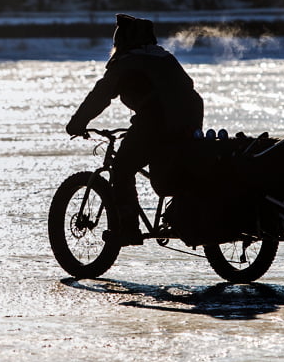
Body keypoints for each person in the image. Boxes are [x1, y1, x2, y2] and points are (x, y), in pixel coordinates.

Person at [66, 14, 204, 241]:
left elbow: (100, 95)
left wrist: (77, 124)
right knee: (180, 168)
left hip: (156, 120)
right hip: (189, 120)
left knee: (122, 169)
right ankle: (180, 216)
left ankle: (128, 229)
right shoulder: (165, 58)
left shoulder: (127, 62)